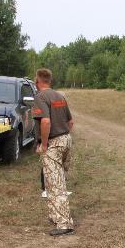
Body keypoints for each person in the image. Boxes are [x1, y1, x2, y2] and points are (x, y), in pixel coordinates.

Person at [33, 68, 75, 237]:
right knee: (54, 181)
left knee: (55, 184)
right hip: (66, 139)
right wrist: (63, 136)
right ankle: (55, 215)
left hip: (53, 143)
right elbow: (70, 122)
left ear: (37, 81)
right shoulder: (59, 96)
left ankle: (64, 224)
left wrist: (44, 144)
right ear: (49, 80)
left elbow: (45, 121)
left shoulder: (40, 97)